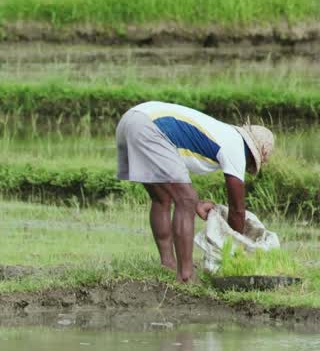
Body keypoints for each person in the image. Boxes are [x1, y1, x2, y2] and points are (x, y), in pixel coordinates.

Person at [115, 101, 274, 283]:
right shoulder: (237, 147)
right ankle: (186, 275)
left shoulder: (222, 133)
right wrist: (235, 249)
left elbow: (173, 183)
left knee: (162, 198)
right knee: (186, 200)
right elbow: (237, 210)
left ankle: (168, 264)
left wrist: (197, 204)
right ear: (253, 155)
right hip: (148, 127)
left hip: (130, 120)